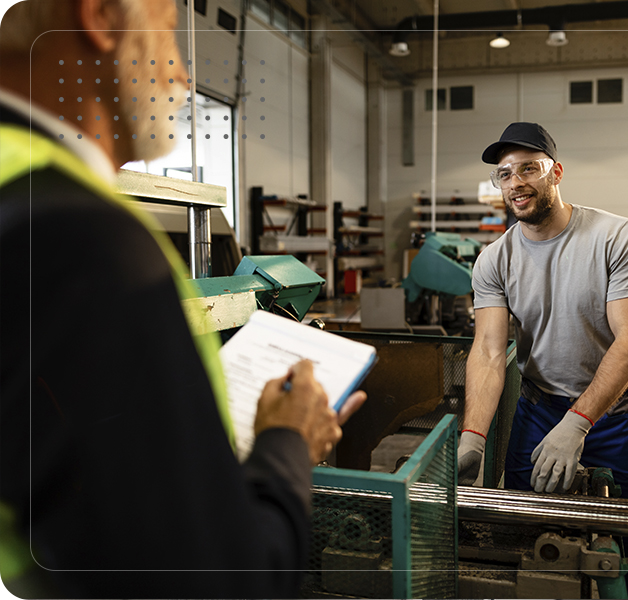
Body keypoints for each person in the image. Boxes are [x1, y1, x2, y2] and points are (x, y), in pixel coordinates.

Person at [0, 0, 365, 597]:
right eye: (168, 35)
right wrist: (288, 443)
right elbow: (218, 580)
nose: (184, 76)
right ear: (101, 19)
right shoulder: (80, 239)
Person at [458, 122, 628, 599]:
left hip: (611, 420)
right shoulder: (494, 259)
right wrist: (473, 436)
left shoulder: (615, 236)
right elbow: (490, 351)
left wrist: (579, 422)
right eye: (504, 174)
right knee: (533, 553)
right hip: (537, 414)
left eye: (528, 168)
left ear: (556, 171)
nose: (515, 183)